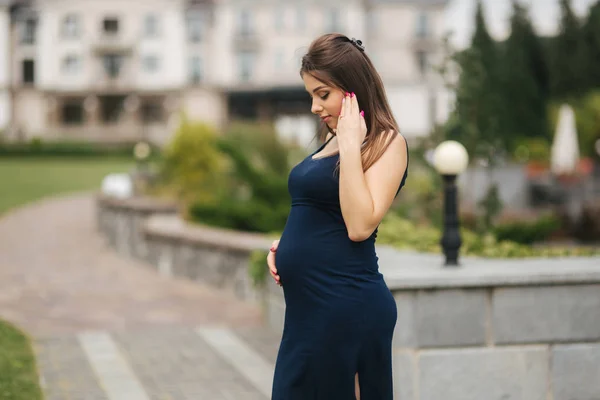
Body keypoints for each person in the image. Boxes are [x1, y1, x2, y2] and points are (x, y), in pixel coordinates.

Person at [267, 33, 409, 400]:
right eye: (311, 95)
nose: (315, 106)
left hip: (345, 308)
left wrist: (349, 143)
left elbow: (361, 225)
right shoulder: (332, 141)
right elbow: (322, 209)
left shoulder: (386, 143)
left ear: (352, 90)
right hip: (308, 312)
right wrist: (286, 246)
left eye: (322, 93)